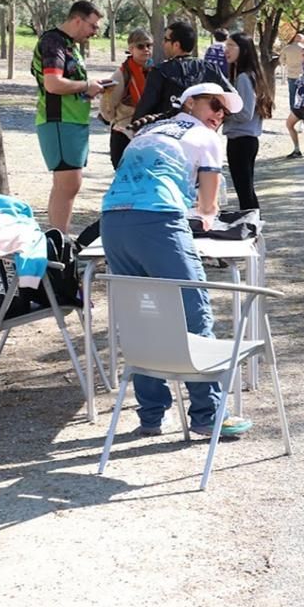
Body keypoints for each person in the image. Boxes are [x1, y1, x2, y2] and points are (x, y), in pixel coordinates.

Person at [101, 83, 253, 438]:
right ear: (190, 103)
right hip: (158, 220)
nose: (219, 114)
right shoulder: (205, 137)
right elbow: (209, 206)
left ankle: (152, 416)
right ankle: (208, 414)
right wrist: (203, 222)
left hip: (112, 219)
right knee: (193, 311)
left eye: (224, 112)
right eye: (214, 105)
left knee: (141, 317)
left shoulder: (151, 129)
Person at [31, 0, 106, 232]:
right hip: (58, 122)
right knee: (68, 184)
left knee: (69, 185)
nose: (95, 32)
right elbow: (53, 84)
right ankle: (58, 243)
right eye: (93, 26)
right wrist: (86, 85)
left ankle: (58, 240)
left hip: (72, 122)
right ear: (77, 20)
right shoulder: (53, 42)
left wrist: (90, 87)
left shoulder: (69, 45)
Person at [133, 21, 230, 120]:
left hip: (167, 131)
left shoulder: (159, 72)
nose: (163, 43)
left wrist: (132, 128)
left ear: (176, 45)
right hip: (200, 131)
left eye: (166, 40)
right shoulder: (211, 69)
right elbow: (230, 100)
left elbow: (145, 107)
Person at [224, 31, 275, 210]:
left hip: (241, 141)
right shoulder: (247, 75)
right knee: (246, 191)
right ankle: (253, 226)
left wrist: (223, 111)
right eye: (226, 45)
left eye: (231, 46)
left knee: (245, 192)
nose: (226, 50)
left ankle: (251, 228)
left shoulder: (244, 78)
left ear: (243, 50)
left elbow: (244, 113)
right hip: (245, 140)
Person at [100, 29, 153, 169]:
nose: (146, 49)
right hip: (123, 133)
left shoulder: (155, 72)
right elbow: (107, 108)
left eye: (149, 45)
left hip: (148, 133)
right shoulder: (121, 75)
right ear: (131, 49)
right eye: (141, 46)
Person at [280, 34, 304, 102]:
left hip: (291, 74)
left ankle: (292, 110)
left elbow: (282, 60)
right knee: (302, 94)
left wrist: (287, 63)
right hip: (302, 73)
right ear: (301, 40)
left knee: (292, 94)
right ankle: (301, 110)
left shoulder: (287, 48)